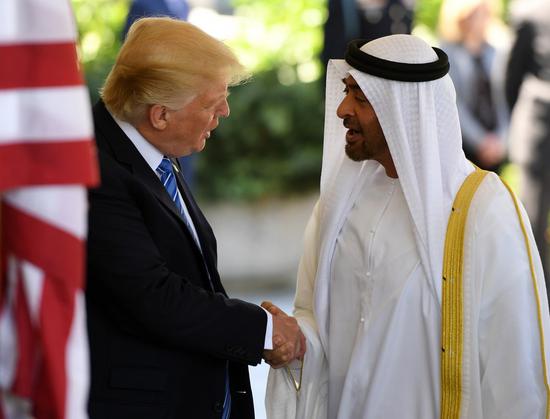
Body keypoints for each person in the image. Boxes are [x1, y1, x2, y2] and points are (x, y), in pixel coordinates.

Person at [265, 34, 550, 419]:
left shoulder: (484, 210)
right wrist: (295, 339)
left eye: (361, 99)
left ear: (405, 110)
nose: (342, 109)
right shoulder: (339, 203)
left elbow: (516, 361)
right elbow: (315, 315)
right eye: (347, 91)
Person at [86, 17, 304, 419]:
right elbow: (153, 296)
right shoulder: (98, 172)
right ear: (160, 115)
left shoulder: (151, 150)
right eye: (211, 102)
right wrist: (264, 332)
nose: (224, 112)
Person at [505, 0, 550, 287]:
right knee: (532, 220)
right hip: (538, 131)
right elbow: (512, 74)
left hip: (536, 125)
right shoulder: (531, 14)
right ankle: (534, 291)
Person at [437, 0, 509, 172]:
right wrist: (480, 141)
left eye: (485, 14)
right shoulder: (448, 54)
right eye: (476, 14)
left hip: (496, 143)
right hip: (465, 146)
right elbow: (453, 103)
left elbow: (506, 99)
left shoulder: (497, 51)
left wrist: (502, 139)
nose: (482, 20)